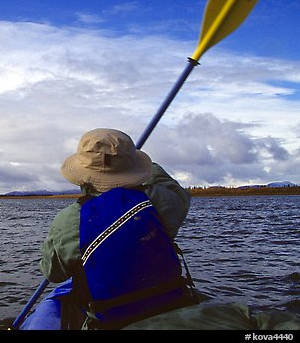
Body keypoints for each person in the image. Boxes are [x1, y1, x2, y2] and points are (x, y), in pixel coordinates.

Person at [39, 128, 196, 329]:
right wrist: (136, 163)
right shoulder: (162, 201)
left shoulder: (69, 219)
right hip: (170, 307)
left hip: (111, 320)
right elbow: (171, 186)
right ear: (135, 168)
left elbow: (53, 273)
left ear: (82, 173)